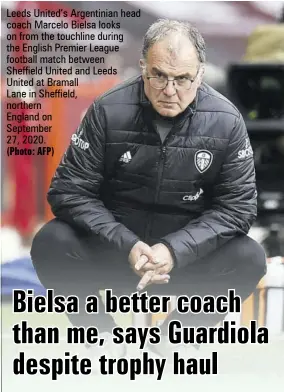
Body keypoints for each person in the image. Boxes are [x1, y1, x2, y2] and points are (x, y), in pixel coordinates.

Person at [31, 19, 266, 363]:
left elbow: (239, 208)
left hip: (184, 259)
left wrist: (174, 250)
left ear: (200, 74)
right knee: (50, 242)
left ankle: (175, 336)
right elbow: (69, 191)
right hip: (116, 249)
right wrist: (126, 243)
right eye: (158, 75)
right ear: (143, 67)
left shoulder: (226, 120)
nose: (169, 89)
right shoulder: (107, 110)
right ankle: (99, 333)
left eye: (183, 78)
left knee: (249, 257)